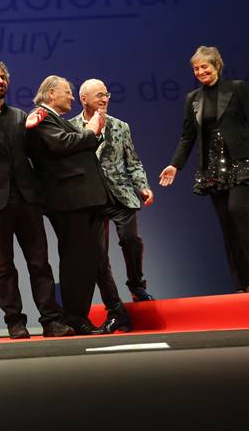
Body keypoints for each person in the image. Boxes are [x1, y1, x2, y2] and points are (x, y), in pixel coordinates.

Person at [159, 46, 249, 292]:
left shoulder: (236, 88)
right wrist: (175, 165)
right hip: (212, 167)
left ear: (216, 65)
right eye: (196, 68)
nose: (200, 72)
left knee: (237, 210)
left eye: (204, 67)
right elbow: (187, 137)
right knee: (226, 222)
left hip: (242, 160)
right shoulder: (193, 99)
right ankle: (242, 282)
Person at [0, 59, 73, 339]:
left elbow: (36, 155)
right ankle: (15, 322)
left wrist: (36, 131)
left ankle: (51, 320)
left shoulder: (22, 116)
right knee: (4, 266)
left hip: (27, 199)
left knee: (39, 262)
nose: (0, 81)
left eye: (3, 77)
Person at [71, 79, 155, 334]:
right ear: (84, 99)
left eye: (106, 94)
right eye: (98, 95)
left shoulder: (120, 127)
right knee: (98, 257)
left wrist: (142, 186)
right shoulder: (70, 127)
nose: (104, 99)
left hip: (120, 194)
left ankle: (136, 283)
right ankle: (115, 310)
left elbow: (133, 162)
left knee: (131, 239)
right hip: (90, 199)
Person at [25, 75, 108, 335]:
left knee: (86, 260)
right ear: (51, 94)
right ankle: (74, 317)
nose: (72, 97)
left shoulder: (55, 118)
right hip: (68, 200)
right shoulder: (41, 116)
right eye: (68, 92)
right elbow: (61, 144)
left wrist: (91, 133)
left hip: (80, 198)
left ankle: (77, 316)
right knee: (76, 260)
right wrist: (90, 132)